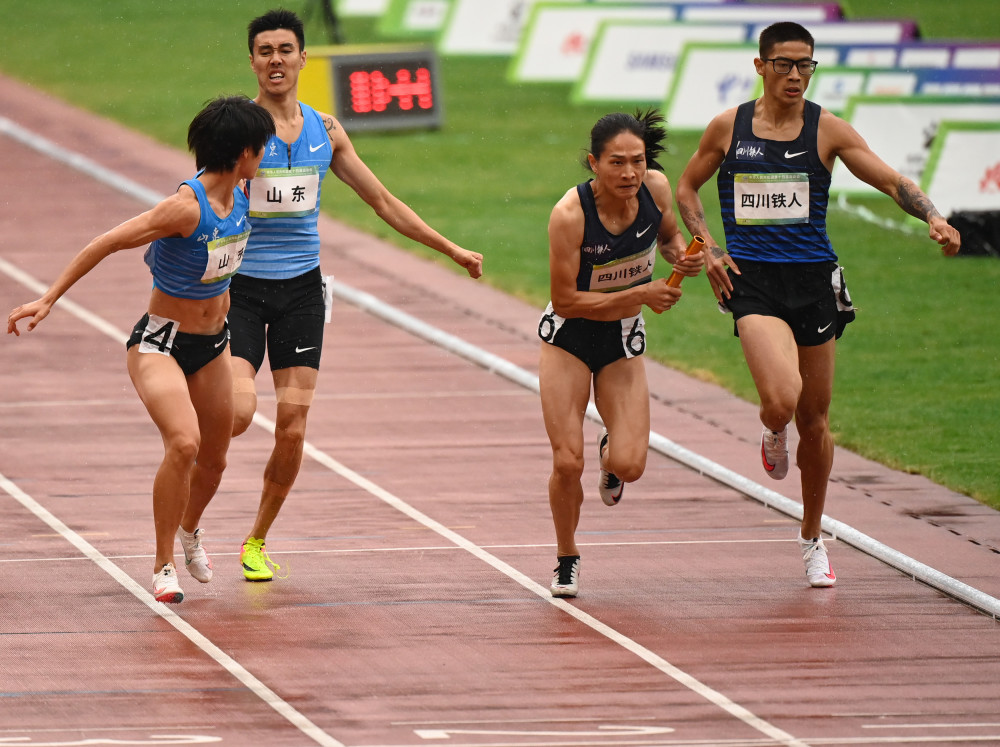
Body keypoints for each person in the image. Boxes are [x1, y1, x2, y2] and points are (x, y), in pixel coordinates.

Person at [675, 22, 960, 588]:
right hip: (752, 283)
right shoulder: (727, 129)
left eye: (806, 64)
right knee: (781, 401)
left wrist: (932, 215)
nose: (797, 75)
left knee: (817, 421)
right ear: (760, 67)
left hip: (814, 285)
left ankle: (811, 537)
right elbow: (686, 189)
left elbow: (889, 179)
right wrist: (705, 250)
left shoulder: (826, 129)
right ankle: (770, 428)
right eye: (784, 64)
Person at [230, 9, 484, 582]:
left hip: (301, 294)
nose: (275, 59)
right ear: (252, 61)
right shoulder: (238, 130)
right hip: (242, 290)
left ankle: (255, 540)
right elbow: (206, 204)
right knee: (238, 415)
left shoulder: (328, 131)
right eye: (264, 50)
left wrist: (451, 250)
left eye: (285, 49)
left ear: (302, 58)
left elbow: (385, 203)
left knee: (293, 428)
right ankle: (190, 502)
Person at [7, 96, 276, 603]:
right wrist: (48, 298)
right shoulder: (183, 208)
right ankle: (162, 565)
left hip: (215, 345)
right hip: (161, 344)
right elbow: (107, 241)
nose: (263, 155)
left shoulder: (243, 192)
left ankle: (189, 530)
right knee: (184, 444)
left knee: (215, 463)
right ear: (243, 152)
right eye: (259, 148)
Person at [539, 109, 703, 598]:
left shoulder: (653, 189)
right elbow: (566, 299)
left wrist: (681, 257)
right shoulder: (570, 215)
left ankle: (610, 456)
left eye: (638, 161)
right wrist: (640, 294)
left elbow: (670, 235)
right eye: (617, 163)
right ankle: (567, 556)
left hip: (620, 340)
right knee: (568, 462)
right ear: (594, 163)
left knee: (631, 465)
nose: (629, 173)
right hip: (569, 337)